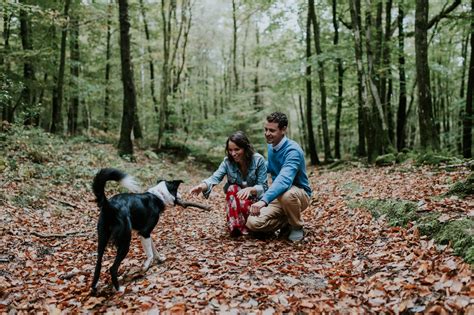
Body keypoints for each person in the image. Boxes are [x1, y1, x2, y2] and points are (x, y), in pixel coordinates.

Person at [246, 112, 312, 242]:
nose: (267, 133)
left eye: (272, 130)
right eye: (266, 129)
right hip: (279, 195)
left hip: (299, 194)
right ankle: (287, 221)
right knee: (252, 223)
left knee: (287, 194)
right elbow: (270, 166)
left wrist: (263, 201)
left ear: (283, 130)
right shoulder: (272, 146)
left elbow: (284, 180)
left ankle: (297, 226)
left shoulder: (293, 151)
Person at [189, 131, 268, 236]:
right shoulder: (227, 162)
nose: (233, 153)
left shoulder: (258, 160)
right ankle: (236, 228)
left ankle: (250, 225)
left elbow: (264, 187)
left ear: (245, 148)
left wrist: (250, 189)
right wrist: (201, 186)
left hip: (255, 203)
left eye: (237, 149)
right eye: (230, 150)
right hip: (236, 204)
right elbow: (215, 177)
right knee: (232, 188)